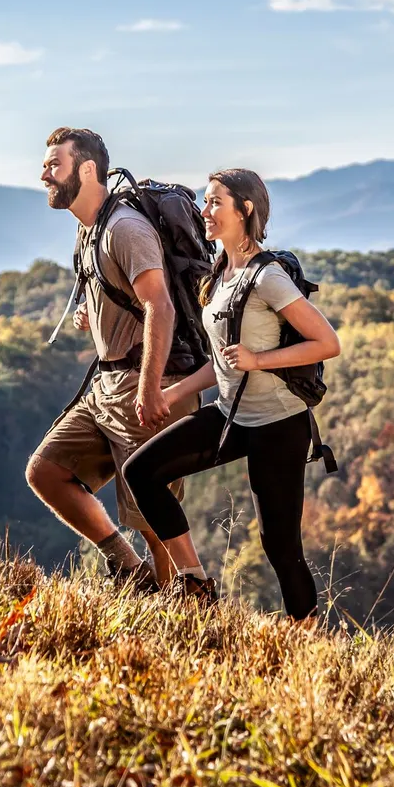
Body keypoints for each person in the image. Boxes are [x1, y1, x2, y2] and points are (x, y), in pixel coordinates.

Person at [123, 168, 340, 624]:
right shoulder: (220, 274)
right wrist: (173, 392)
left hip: (279, 424)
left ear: (245, 209)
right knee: (141, 472)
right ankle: (194, 582)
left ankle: (308, 639)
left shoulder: (267, 276)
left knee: (280, 546)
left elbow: (327, 343)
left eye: (214, 202)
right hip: (230, 413)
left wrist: (259, 360)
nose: (204, 211)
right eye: (205, 201)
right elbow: (224, 362)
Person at [26, 127, 201, 589]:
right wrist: (92, 309)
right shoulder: (89, 229)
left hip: (146, 384)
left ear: (87, 169)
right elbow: (122, 292)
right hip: (106, 387)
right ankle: (129, 569)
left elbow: (160, 305)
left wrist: (150, 388)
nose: (44, 174)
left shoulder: (124, 228)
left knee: (153, 520)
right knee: (46, 471)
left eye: (54, 164)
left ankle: (178, 610)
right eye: (45, 165)